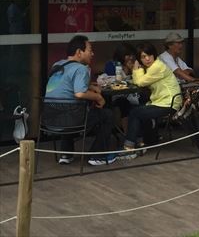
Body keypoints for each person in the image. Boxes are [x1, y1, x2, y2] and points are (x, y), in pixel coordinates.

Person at [44, 35, 116, 166]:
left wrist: (90, 86)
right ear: (79, 52)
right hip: (71, 119)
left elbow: (66, 86)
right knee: (107, 115)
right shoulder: (80, 69)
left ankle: (66, 154)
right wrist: (99, 97)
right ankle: (97, 155)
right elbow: (79, 93)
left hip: (51, 119)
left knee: (68, 107)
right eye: (90, 50)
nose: (92, 54)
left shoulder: (58, 65)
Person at [120, 43, 183, 159]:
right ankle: (139, 144)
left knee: (135, 113)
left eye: (149, 55)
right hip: (162, 101)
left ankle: (129, 148)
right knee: (134, 110)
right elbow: (141, 81)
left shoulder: (157, 66)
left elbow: (140, 82)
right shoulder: (152, 67)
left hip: (169, 103)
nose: (147, 59)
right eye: (143, 57)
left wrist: (135, 69)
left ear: (154, 55)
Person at [103, 42, 140, 132]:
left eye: (132, 55)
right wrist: (127, 71)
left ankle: (146, 135)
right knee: (124, 104)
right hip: (116, 96)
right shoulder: (111, 65)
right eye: (127, 55)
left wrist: (134, 71)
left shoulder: (134, 64)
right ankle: (128, 135)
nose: (131, 57)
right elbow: (114, 82)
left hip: (133, 95)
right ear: (121, 54)